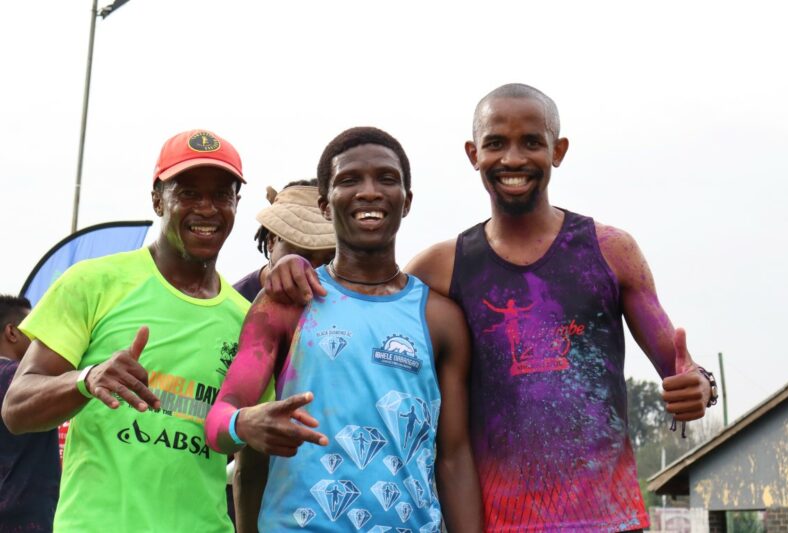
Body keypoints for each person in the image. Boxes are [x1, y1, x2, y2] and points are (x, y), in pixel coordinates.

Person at [261, 85, 716, 532]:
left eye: (531, 143)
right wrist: (282, 268)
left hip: (606, 518)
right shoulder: (443, 268)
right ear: (473, 154)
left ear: (557, 150)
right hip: (498, 520)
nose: (513, 159)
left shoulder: (610, 251)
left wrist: (701, 387)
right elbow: (358, 297)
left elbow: (681, 370)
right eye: (496, 143)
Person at [205, 127, 483, 531]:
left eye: (386, 179)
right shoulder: (286, 303)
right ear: (324, 204)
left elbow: (454, 457)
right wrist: (242, 424)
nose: (369, 191)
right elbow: (218, 424)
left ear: (406, 201)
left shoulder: (439, 318)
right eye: (349, 180)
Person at [1, 129, 250, 532]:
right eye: (188, 192)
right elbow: (16, 410)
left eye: (222, 194)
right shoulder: (92, 283)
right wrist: (87, 379)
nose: (207, 208)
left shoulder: (246, 320)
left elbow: (247, 448)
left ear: (236, 203)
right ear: (157, 199)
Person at [232, 179, 335, 533]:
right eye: (303, 253)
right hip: (257, 470)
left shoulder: (343, 300)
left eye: (328, 257)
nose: (312, 270)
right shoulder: (237, 303)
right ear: (273, 240)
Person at [0, 295, 60, 532]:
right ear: (12, 332)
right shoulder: (24, 379)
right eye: (36, 327)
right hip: (24, 519)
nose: (43, 336)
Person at [234, 179, 335, 302]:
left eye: (329, 261)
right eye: (302, 257)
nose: (314, 271)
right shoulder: (234, 307)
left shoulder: (344, 304)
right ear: (271, 240)